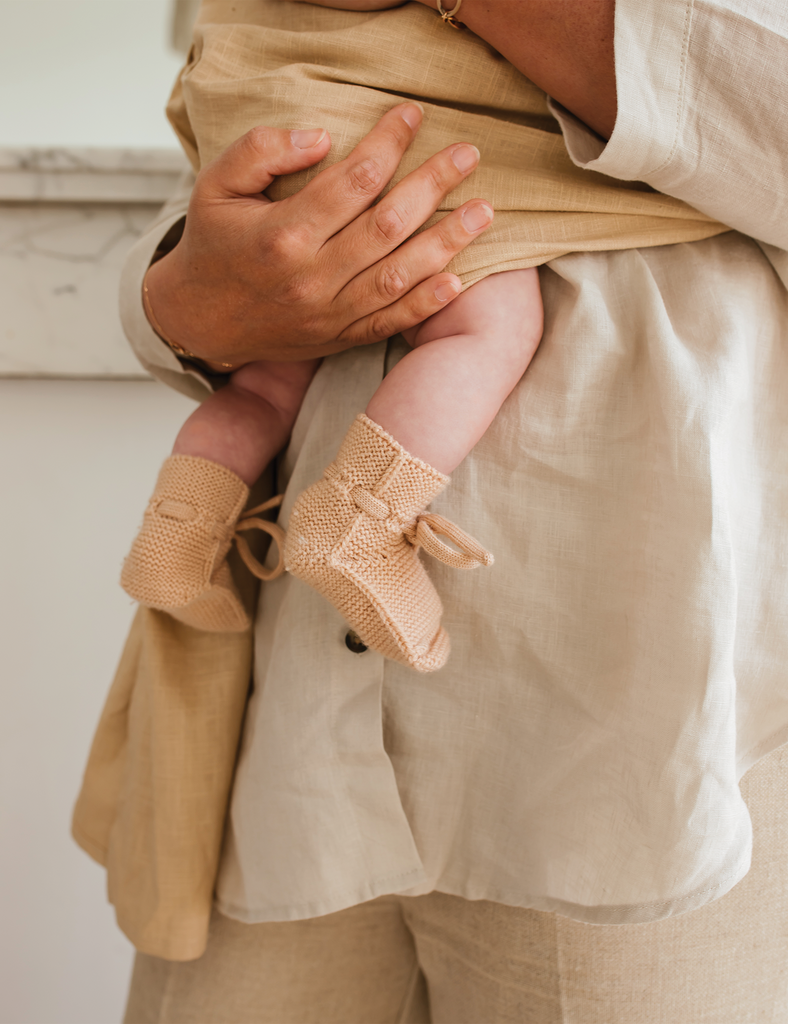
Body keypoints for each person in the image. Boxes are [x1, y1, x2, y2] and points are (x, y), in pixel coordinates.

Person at [73, 0, 788, 1020]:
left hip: (626, 687)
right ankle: (315, 521)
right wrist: (182, 300)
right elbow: (252, 92)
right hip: (287, 694)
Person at [117, 0, 721, 672]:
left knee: (268, 378)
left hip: (281, 126)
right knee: (485, 325)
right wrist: (182, 302)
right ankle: (360, 522)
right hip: (390, 135)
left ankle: (179, 527)